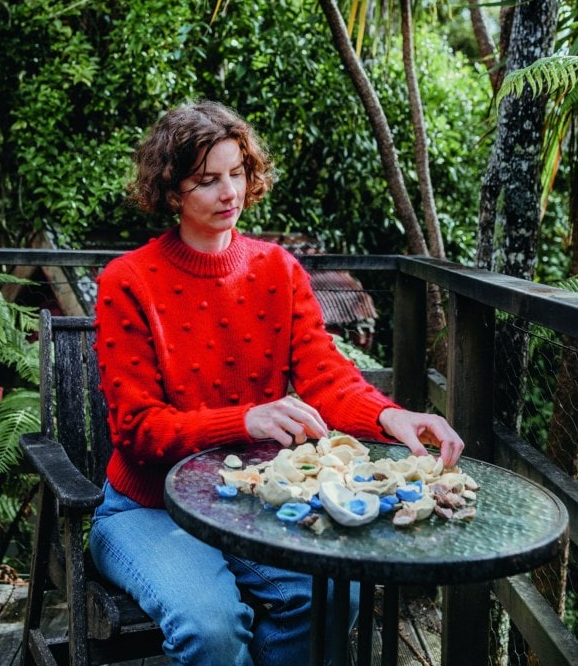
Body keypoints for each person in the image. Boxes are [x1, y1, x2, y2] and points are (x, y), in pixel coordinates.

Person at [89, 100, 464, 666]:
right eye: (207, 180)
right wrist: (245, 419)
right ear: (171, 192)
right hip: (146, 511)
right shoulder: (128, 281)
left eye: (237, 173)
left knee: (334, 595)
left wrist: (394, 417)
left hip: (250, 505)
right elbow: (137, 429)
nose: (229, 193)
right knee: (211, 629)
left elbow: (327, 378)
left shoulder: (278, 270)